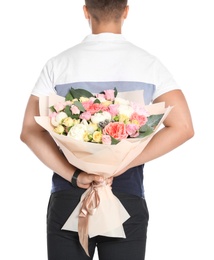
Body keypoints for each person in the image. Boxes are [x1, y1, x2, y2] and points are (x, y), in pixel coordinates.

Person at [20, 0, 194, 259]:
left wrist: (74, 175)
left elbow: (30, 131)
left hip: (69, 198)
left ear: (86, 11)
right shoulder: (149, 64)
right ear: (126, 11)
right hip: (125, 194)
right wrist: (122, 164)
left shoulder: (59, 64)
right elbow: (183, 127)